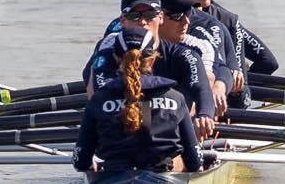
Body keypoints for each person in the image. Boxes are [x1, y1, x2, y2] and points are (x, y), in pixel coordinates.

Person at [73, 22, 210, 176]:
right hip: (163, 180)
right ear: (152, 60)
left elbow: (80, 161)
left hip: (113, 179)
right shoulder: (176, 98)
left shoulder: (99, 99)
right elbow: (194, 161)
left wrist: (91, 168)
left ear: (117, 59)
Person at [86, 0, 218, 135]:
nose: (142, 22)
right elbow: (98, 89)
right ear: (122, 20)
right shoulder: (109, 48)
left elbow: (202, 89)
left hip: (170, 133)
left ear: (160, 17)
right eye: (134, 15)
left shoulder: (184, 54)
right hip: (120, 129)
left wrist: (204, 116)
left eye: (149, 15)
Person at [182, 0, 277, 103]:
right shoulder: (164, 18)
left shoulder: (228, 21)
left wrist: (232, 90)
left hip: (220, 109)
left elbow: (267, 64)